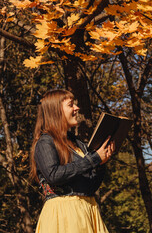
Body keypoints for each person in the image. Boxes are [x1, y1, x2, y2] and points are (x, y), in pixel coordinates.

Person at [30, 89, 115, 233]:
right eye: (70, 105)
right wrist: (94, 159)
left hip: (88, 210)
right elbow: (54, 175)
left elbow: (91, 185)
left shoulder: (78, 144)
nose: (76, 108)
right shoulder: (45, 142)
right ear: (56, 111)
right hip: (64, 215)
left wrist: (101, 163)